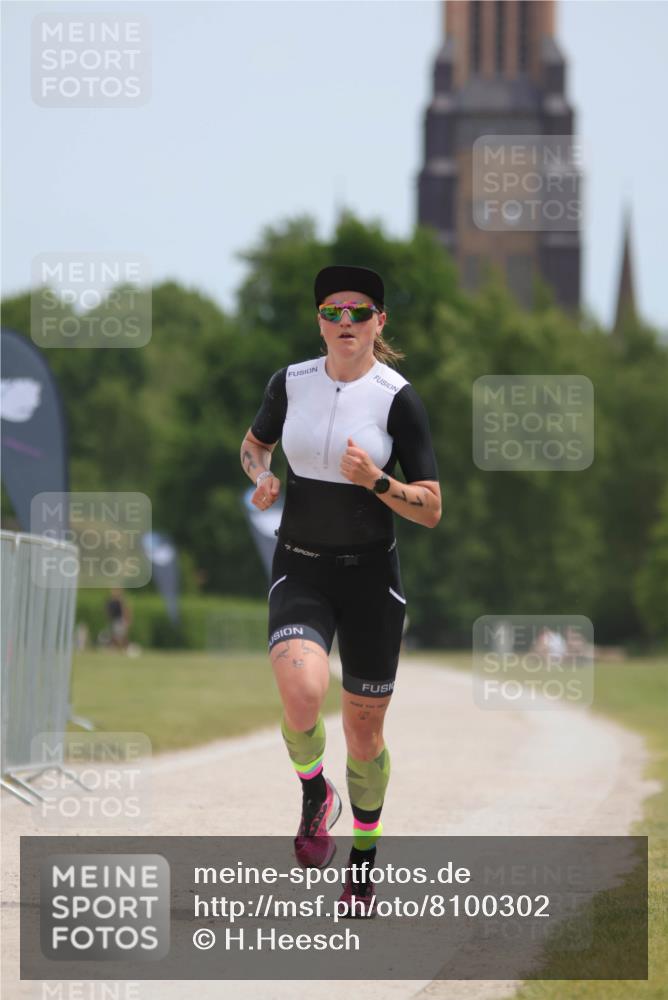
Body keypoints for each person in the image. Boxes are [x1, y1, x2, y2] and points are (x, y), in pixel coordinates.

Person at [240, 265, 441, 916]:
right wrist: (263, 474)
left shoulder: (396, 398)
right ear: (319, 321)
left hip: (371, 581)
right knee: (302, 692)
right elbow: (252, 446)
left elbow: (432, 507)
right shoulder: (290, 383)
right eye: (333, 311)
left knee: (363, 735)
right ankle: (313, 792)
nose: (345, 322)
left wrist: (377, 480)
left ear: (379, 322)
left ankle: (362, 862)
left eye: (359, 311)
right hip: (301, 565)